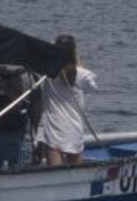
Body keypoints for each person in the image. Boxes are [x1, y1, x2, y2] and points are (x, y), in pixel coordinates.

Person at [37, 34, 98, 165]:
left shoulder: (48, 71)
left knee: (54, 171)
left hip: (54, 127)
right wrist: (77, 61)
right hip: (73, 127)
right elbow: (92, 87)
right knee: (76, 169)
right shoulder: (82, 74)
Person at [0, 65, 41, 170]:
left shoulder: (30, 79)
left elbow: (36, 110)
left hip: (13, 131)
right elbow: (36, 111)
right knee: (18, 171)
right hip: (1, 132)